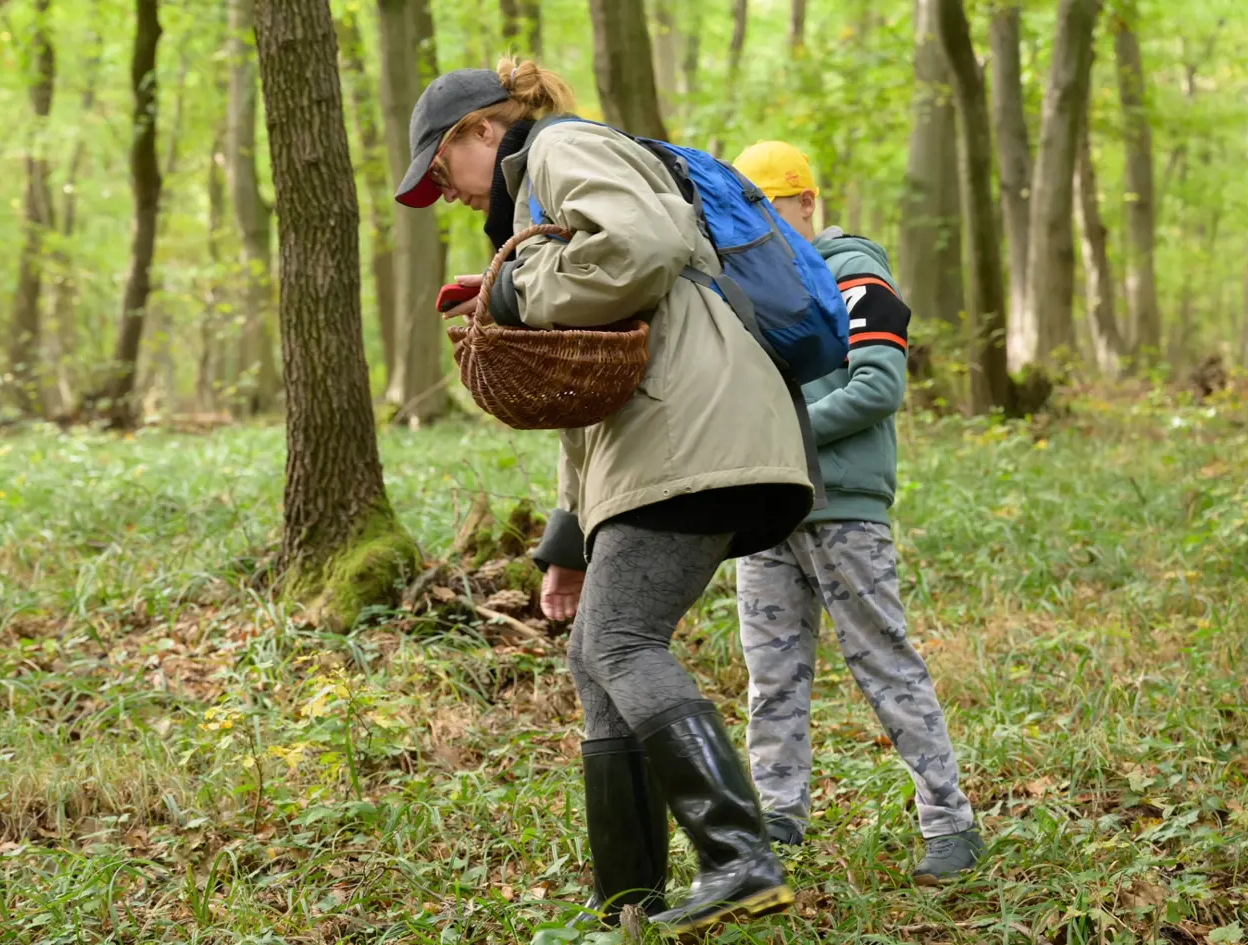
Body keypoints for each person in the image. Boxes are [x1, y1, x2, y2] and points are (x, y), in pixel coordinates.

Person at [395, 61, 816, 933]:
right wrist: (567, 539)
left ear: (482, 129)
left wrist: (514, 290)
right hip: (662, 439)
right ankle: (628, 894)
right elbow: (592, 384)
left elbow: (644, 249)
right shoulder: (541, 192)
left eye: (440, 170)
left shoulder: (559, 145)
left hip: (698, 429)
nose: (447, 195)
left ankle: (740, 856)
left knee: (620, 640)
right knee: (598, 651)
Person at [728, 140, 984, 884]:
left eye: (774, 212)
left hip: (842, 506)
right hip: (768, 508)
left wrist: (787, 441)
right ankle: (779, 814)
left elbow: (878, 385)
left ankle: (950, 821)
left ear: (807, 202)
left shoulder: (854, 272)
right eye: (751, 220)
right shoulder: (759, 292)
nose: (765, 233)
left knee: (884, 663)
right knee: (770, 673)